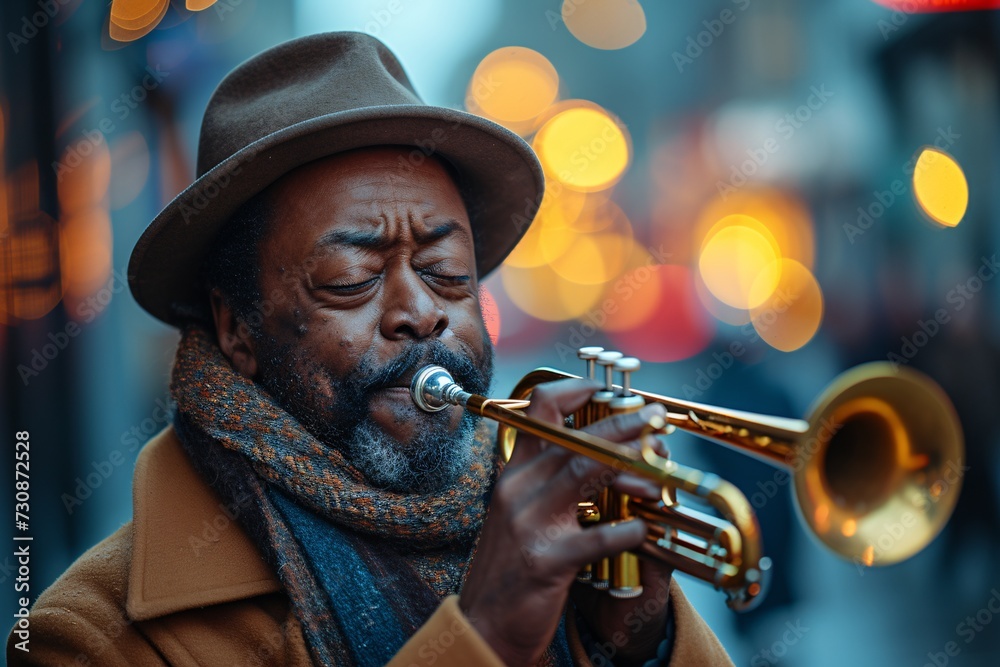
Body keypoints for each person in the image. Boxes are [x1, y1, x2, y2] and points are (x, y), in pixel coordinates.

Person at [7, 32, 733, 666]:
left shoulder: (552, 520)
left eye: (448, 271)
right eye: (351, 279)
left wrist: (638, 643)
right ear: (236, 329)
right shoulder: (86, 637)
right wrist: (482, 638)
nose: (421, 312)